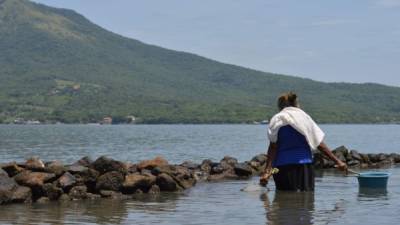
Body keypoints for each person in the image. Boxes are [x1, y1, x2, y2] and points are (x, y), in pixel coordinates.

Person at [260, 92, 347, 191]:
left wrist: (267, 172)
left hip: (280, 168)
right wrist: (338, 161)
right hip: (304, 166)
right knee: (306, 199)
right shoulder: (303, 118)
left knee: (283, 201)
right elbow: (319, 143)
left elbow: (273, 147)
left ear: (280, 106)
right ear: (296, 104)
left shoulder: (277, 119)